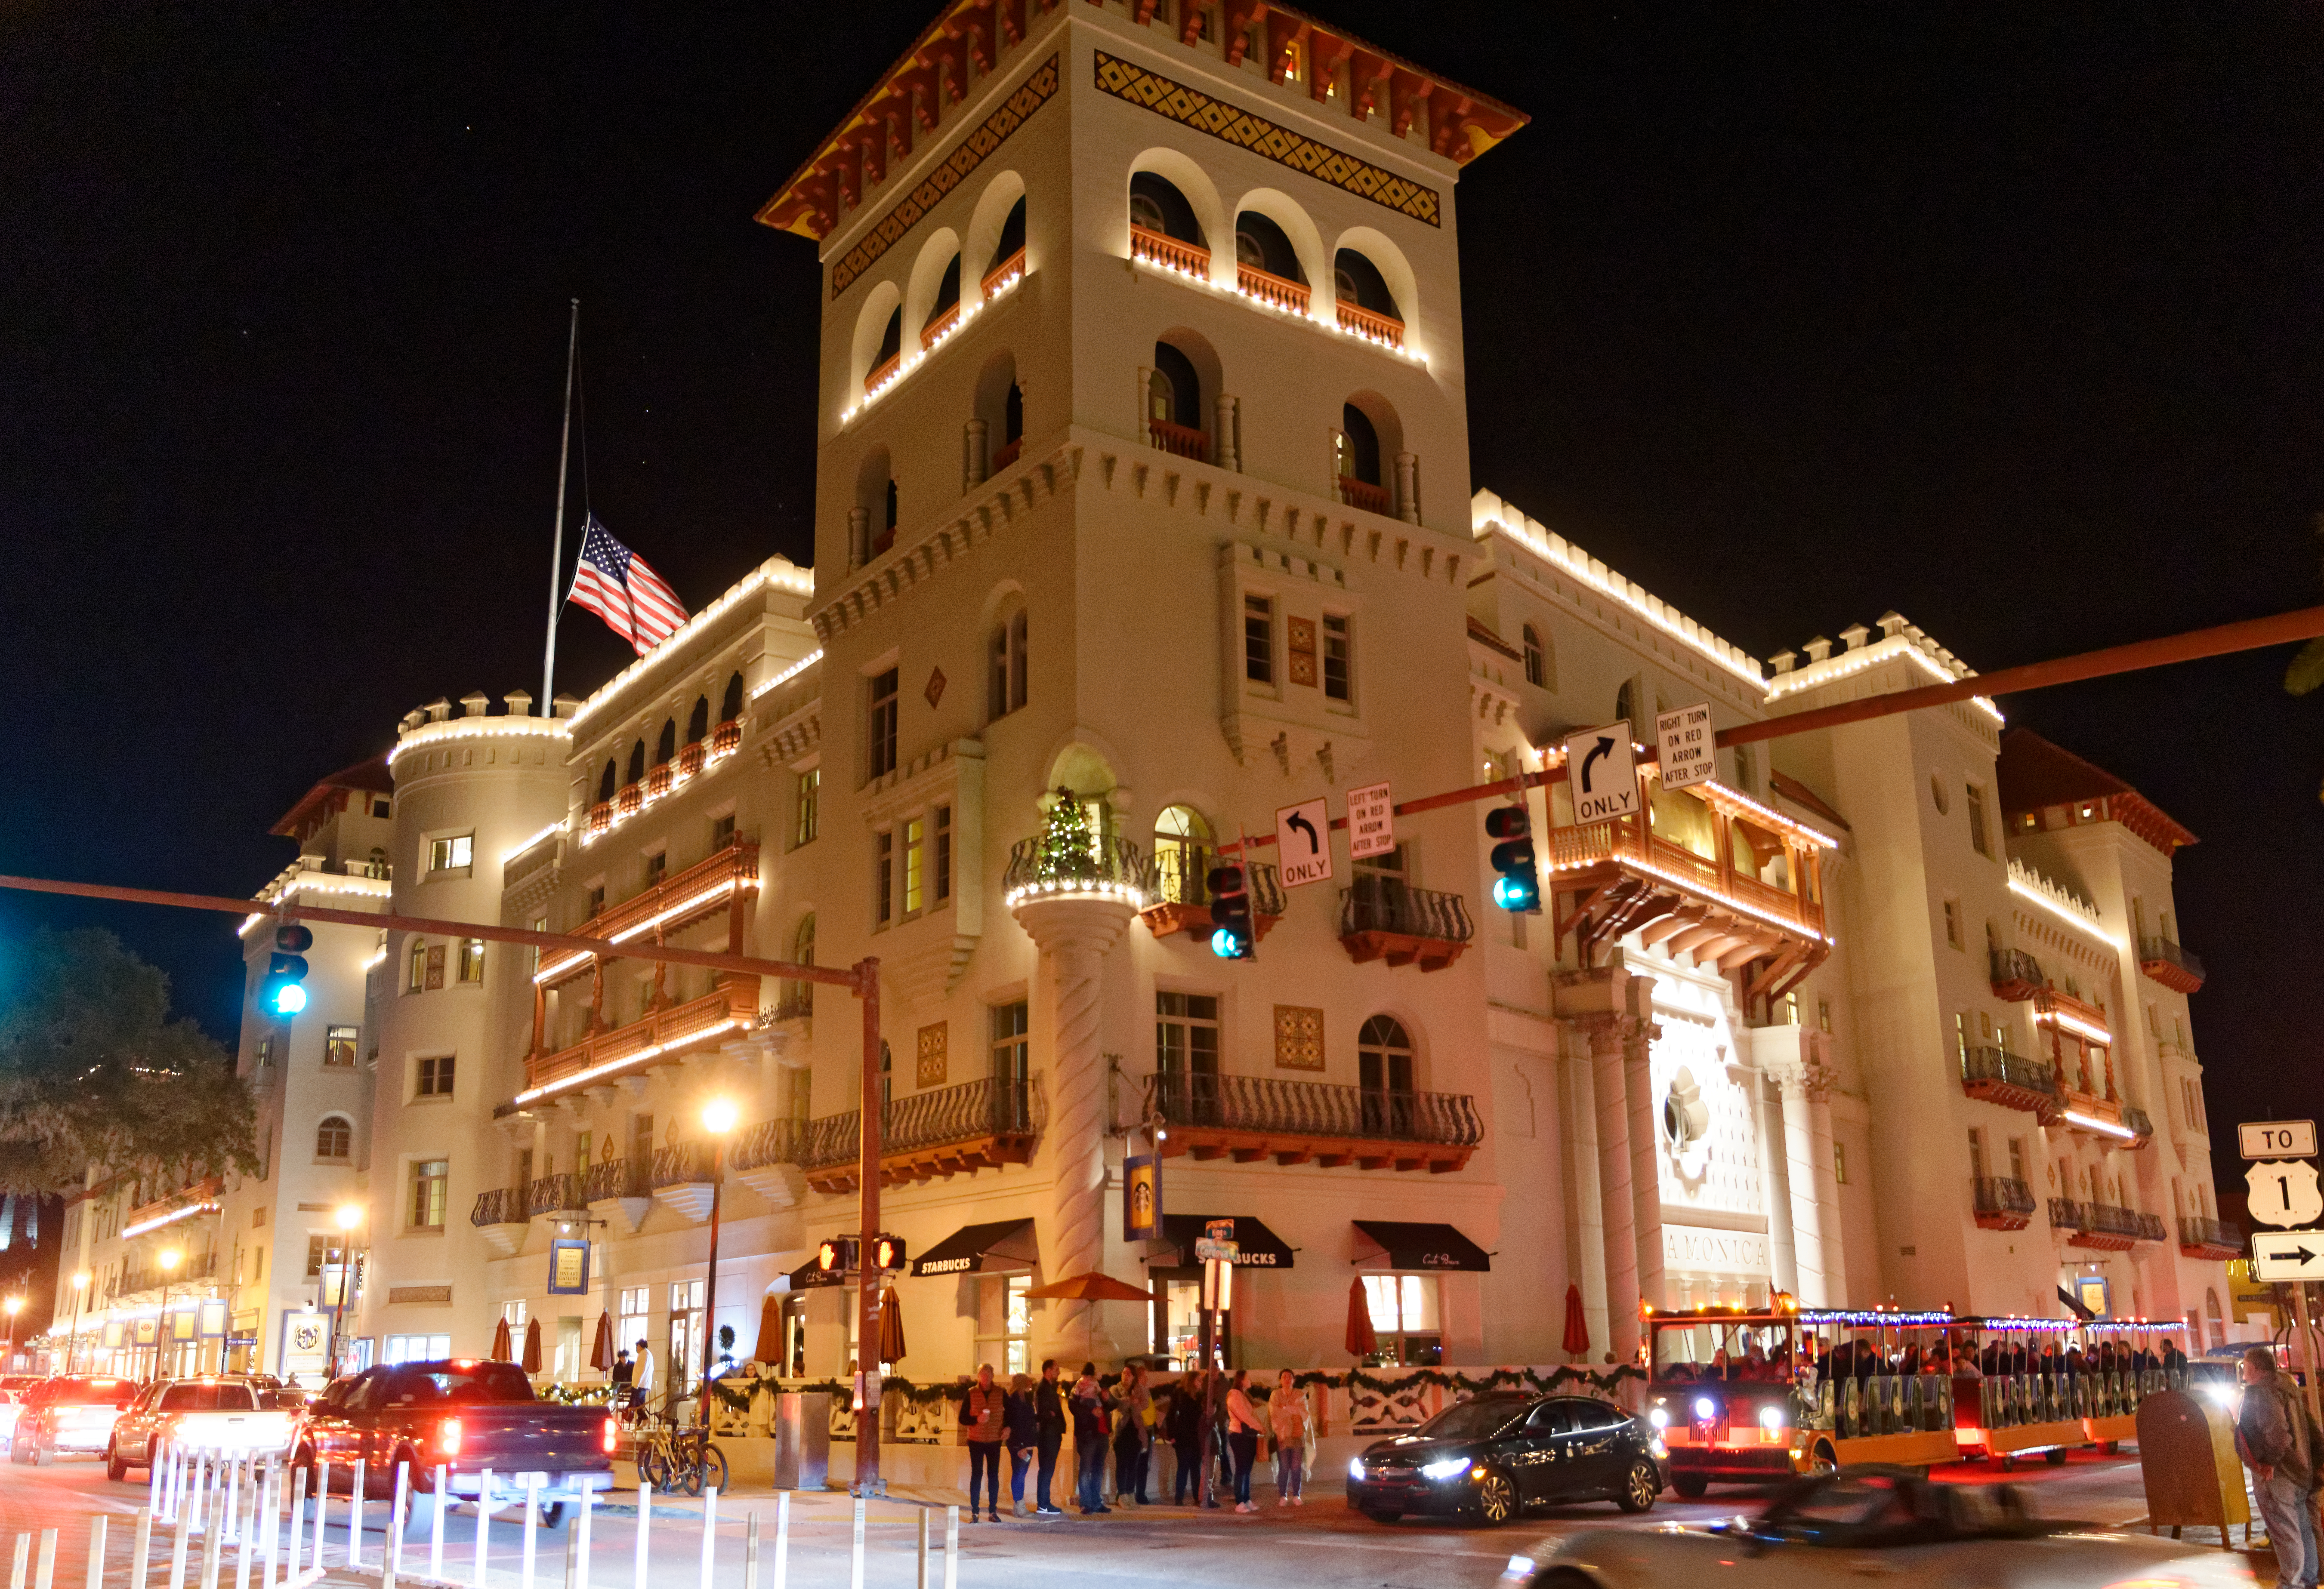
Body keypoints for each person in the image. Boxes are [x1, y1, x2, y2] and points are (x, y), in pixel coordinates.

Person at [2237, 1344, 2322, 1589]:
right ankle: (2308, 1579)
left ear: (2253, 1368)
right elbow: (2308, 1428)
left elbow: (2277, 1433)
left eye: (2245, 1365)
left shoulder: (2260, 1392)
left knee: (2286, 1533)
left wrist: (2268, 1462)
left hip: (2279, 1474)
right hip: (2299, 1471)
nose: (2244, 1370)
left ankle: (2291, 1583)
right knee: (2303, 1529)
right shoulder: (2287, 1388)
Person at [962, 1363, 1006, 1523]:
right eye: (983, 1375)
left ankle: (993, 1511)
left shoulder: (1001, 1393)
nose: (986, 1378)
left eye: (989, 1375)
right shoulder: (972, 1393)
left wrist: (1008, 1428)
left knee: (993, 1475)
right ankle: (975, 1512)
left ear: (993, 1376)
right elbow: (963, 1418)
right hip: (976, 1440)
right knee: (977, 1474)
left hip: (994, 1440)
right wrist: (977, 1419)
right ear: (979, 1377)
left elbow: (1010, 1414)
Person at [1071, 1364, 1111, 1514]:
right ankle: (1086, 1502)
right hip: (1088, 1434)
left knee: (1098, 1470)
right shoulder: (1078, 1386)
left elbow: (1111, 1405)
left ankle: (1096, 1501)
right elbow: (1073, 1406)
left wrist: (1107, 1399)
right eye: (1088, 1376)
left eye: (1092, 1376)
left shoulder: (1099, 1388)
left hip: (1102, 1433)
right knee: (1086, 1469)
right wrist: (1091, 1411)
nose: (1090, 1379)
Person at [1224, 1369, 1264, 1513]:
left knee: (1247, 1469)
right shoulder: (1235, 1395)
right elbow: (1245, 1416)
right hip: (1240, 1435)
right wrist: (1260, 1427)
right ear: (1241, 1380)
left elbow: (1250, 1414)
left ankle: (1246, 1499)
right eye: (1248, 1378)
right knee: (1242, 1469)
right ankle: (1239, 1501)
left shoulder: (1243, 1395)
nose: (1250, 1380)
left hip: (1247, 1435)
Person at [1112, 1361, 1152, 1504]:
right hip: (1121, 1432)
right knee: (1122, 1464)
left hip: (1136, 1432)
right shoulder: (1116, 1389)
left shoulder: (1140, 1389)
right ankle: (1121, 1493)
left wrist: (1133, 1403)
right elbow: (1119, 1405)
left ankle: (1130, 1493)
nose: (1125, 1376)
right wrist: (1133, 1401)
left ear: (1134, 1377)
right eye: (1124, 1373)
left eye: (1128, 1373)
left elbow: (1145, 1404)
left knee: (1133, 1465)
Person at [1268, 1370, 1309, 1507]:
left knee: (1296, 1467)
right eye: (1284, 1377)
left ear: (1294, 1380)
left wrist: (1285, 1408)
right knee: (1284, 1467)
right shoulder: (1276, 1394)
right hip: (1282, 1435)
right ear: (1280, 1380)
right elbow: (1274, 1412)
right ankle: (1283, 1496)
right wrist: (1292, 1409)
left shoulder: (1300, 1394)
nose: (1287, 1379)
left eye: (1290, 1377)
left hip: (1298, 1435)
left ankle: (1297, 1495)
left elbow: (1303, 1412)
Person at [1032, 1359, 1066, 1516]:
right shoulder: (1043, 1389)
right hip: (1048, 1434)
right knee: (1047, 1468)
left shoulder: (1049, 1388)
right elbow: (1043, 1412)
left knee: (1048, 1469)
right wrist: (1051, 1415)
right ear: (1048, 1371)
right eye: (1056, 1369)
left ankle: (1045, 1502)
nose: (1058, 1372)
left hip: (1052, 1433)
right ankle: (1043, 1504)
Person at [1003, 1373, 1040, 1518]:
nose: (1031, 1385)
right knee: (1020, 1474)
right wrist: (1023, 1445)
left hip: (1021, 1442)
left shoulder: (1020, 1399)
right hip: (1021, 1443)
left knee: (1019, 1473)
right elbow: (1019, 1423)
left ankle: (1018, 1504)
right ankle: (1020, 1504)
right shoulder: (1018, 1401)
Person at [1169, 1370, 1207, 1505]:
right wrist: (1172, 1436)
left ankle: (1198, 1496)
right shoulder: (1180, 1396)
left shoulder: (1200, 1397)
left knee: (1196, 1468)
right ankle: (1179, 1497)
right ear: (1192, 1382)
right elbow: (1171, 1415)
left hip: (1196, 1438)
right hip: (1183, 1438)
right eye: (1199, 1380)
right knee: (1184, 1467)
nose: (1201, 1383)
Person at [632, 1338, 656, 1411]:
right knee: (641, 1403)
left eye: (637, 1346)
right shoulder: (648, 1354)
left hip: (641, 1384)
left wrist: (637, 1383)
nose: (637, 1348)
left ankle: (645, 1419)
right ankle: (641, 1420)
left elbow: (642, 1370)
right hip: (644, 1384)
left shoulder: (644, 1354)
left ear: (640, 1346)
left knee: (637, 1402)